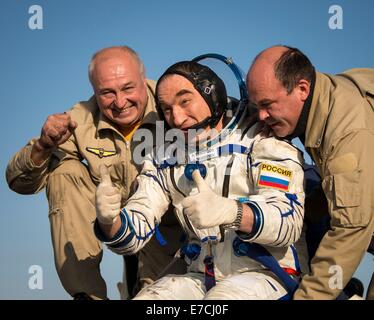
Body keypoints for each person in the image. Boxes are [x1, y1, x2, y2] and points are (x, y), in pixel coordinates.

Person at [94, 60, 308, 300]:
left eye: (185, 101)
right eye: (166, 109)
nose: (177, 117)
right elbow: (134, 232)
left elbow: (287, 223)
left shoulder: (262, 141)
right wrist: (108, 221)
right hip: (201, 276)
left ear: (212, 94)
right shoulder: (165, 157)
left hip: (267, 275)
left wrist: (233, 212)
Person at [6, 46, 183, 300]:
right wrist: (43, 146)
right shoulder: (79, 120)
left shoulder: (175, 103)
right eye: (107, 93)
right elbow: (17, 182)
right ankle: (87, 294)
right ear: (94, 92)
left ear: (144, 79)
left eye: (128, 88)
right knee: (64, 172)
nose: (120, 103)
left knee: (156, 297)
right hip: (110, 222)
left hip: (166, 228)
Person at [246, 45, 374, 300]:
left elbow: (352, 228)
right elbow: (335, 190)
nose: (261, 115)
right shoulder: (323, 100)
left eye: (267, 104)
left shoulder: (347, 132)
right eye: (256, 105)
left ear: (302, 89)